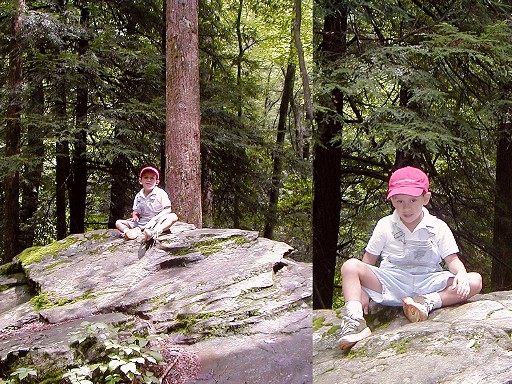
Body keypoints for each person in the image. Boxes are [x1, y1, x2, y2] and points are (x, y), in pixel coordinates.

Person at [337, 166, 482, 350]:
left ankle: (426, 302)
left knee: (474, 281)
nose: (406, 207)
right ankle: (354, 321)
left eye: (413, 200)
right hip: (392, 282)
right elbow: (368, 261)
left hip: (428, 281)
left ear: (426, 198)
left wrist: (461, 273)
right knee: (350, 266)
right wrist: (362, 291)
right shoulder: (385, 225)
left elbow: (451, 259)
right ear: (391, 201)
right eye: (399, 201)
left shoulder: (437, 226)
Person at [115, 166, 178, 241]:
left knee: (173, 217)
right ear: (140, 181)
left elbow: (168, 209)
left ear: (157, 182)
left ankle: (155, 232)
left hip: (157, 221)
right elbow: (136, 211)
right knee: (118, 222)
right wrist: (135, 216)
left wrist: (155, 219)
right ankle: (129, 232)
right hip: (142, 223)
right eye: (146, 177)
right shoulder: (138, 196)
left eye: (152, 178)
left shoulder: (161, 193)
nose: (149, 180)